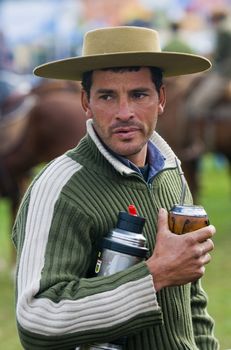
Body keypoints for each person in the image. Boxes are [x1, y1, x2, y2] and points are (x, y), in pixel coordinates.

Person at [13, 26, 219, 350]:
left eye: (139, 95)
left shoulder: (171, 171)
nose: (125, 113)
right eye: (107, 96)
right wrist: (155, 275)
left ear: (161, 98)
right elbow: (36, 319)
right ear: (86, 101)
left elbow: (191, 300)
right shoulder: (57, 188)